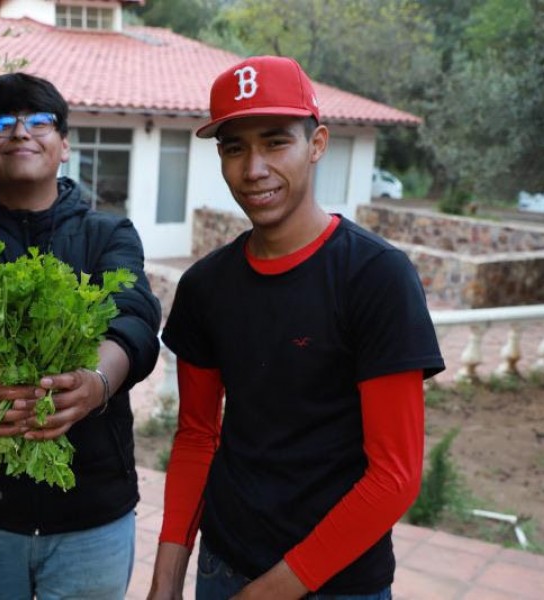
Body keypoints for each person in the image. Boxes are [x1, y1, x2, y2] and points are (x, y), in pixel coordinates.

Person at [146, 56, 445, 600]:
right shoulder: (206, 286)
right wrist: (166, 580)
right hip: (221, 564)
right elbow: (195, 437)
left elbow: (395, 477)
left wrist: (266, 593)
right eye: (234, 147)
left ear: (318, 143)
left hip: (338, 581)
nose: (253, 167)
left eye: (275, 141)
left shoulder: (376, 277)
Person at [0, 72, 161, 600]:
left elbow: (133, 316)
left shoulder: (108, 234)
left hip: (91, 512)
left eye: (40, 121)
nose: (21, 132)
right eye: (0, 123)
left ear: (64, 145)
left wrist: (96, 383)